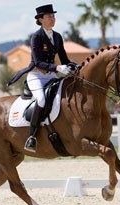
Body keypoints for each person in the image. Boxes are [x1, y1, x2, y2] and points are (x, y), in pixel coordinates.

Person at [23, 4, 75, 152]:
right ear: (40, 19)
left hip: (51, 75)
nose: (52, 18)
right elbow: (38, 61)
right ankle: (31, 137)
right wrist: (58, 68)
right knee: (41, 99)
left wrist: (76, 66)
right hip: (36, 75)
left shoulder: (57, 36)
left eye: (53, 16)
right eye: (49, 16)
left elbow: (64, 59)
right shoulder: (36, 37)